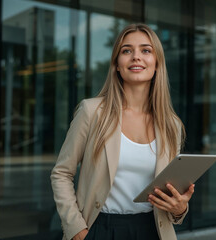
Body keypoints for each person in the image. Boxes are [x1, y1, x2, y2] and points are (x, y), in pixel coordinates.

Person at [51, 23, 194, 240]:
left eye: (146, 50)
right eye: (127, 51)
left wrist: (180, 209)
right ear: (117, 64)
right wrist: (76, 230)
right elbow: (61, 173)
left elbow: (170, 192)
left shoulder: (171, 124)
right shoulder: (92, 112)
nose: (136, 57)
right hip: (100, 229)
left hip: (153, 231)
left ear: (157, 64)